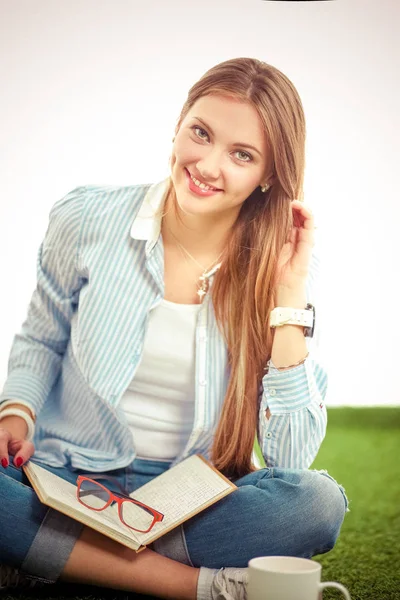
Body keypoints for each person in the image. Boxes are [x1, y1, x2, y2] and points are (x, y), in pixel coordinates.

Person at [0, 57, 348, 600]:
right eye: (200, 133)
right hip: (64, 475)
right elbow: (43, 336)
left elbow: (291, 459)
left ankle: (53, 554)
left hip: (187, 499)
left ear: (270, 174)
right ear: (179, 122)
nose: (208, 165)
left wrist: (287, 298)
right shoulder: (87, 217)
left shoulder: (284, 266)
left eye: (241, 155)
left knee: (316, 502)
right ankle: (193, 586)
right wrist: (16, 412)